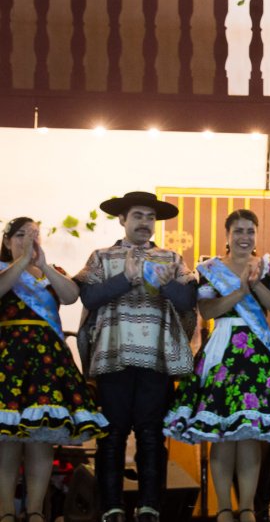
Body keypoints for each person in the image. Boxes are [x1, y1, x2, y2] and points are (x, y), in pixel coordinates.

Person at [164, 209, 270, 522]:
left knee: (249, 434)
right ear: (227, 235)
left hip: (257, 352)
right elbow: (208, 309)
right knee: (222, 433)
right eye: (238, 231)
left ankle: (246, 508)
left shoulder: (267, 267)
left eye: (250, 231)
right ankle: (224, 507)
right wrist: (239, 290)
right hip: (223, 348)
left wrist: (255, 285)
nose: (244, 237)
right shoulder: (211, 268)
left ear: (256, 235)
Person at [74, 192, 197, 522]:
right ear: (122, 220)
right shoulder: (101, 257)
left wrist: (163, 284)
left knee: (151, 433)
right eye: (138, 216)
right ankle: (111, 507)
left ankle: (149, 507)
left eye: (150, 217)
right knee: (112, 433)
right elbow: (87, 294)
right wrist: (125, 279)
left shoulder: (171, 258)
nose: (145, 223)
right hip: (113, 356)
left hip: (157, 359)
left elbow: (187, 301)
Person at [0, 218, 107, 521]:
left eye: (34, 235)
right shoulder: (3, 268)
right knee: (7, 440)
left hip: (48, 361)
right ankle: (6, 512)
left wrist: (44, 266)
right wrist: (21, 264)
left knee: (41, 439)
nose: (28, 240)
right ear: (7, 241)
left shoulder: (52, 271)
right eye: (21, 235)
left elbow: (71, 296)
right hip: (10, 358)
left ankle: (35, 511)